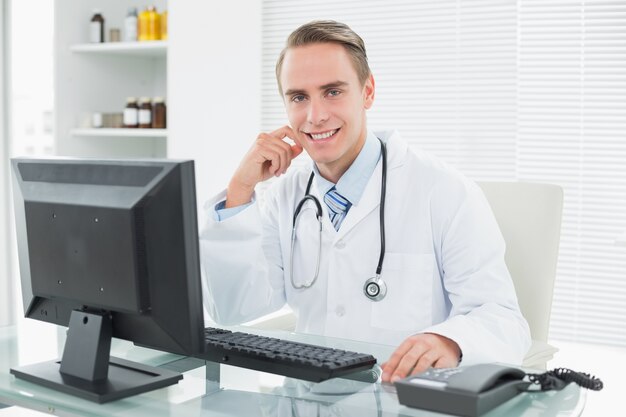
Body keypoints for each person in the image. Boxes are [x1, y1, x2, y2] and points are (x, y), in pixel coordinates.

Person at [200, 20, 530, 383]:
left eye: (332, 92)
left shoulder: (445, 191)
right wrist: (240, 188)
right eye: (298, 97)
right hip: (308, 398)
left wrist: (449, 341)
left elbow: (503, 319)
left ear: (368, 91)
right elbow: (232, 308)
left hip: (404, 399)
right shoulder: (286, 194)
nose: (315, 116)